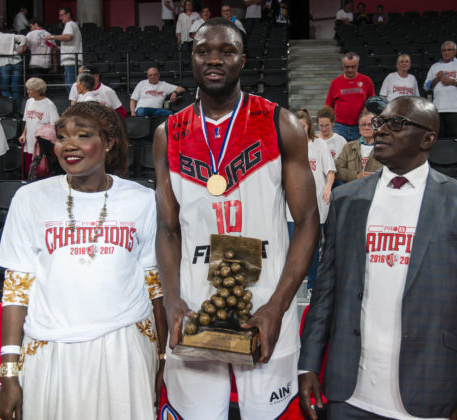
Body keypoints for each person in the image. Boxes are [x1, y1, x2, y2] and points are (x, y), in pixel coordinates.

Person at [155, 17, 319, 419]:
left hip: (266, 299)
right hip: (193, 305)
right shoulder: (168, 133)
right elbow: (167, 229)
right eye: (203, 51)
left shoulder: (281, 123)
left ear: (243, 60)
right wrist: (172, 300)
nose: (214, 59)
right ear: (191, 59)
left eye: (226, 51)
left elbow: (308, 221)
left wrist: (279, 306)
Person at [298, 95, 457, 420]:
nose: (380, 130)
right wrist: (308, 363)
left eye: (395, 123)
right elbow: (325, 293)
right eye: (380, 122)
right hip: (349, 395)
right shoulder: (346, 200)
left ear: (427, 139)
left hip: (430, 392)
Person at [0, 101, 167, 420]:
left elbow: (154, 284)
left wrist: (162, 358)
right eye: (61, 137)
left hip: (123, 347)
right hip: (50, 349)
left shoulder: (142, 199)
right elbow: (16, 290)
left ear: (108, 142)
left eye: (82, 135)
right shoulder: (29, 199)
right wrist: (9, 372)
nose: (69, 145)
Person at [288, 109, 335, 299]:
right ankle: (292, 286)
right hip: (292, 205)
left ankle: (312, 285)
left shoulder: (319, 144)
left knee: (312, 247)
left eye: (303, 126)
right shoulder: (288, 145)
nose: (300, 129)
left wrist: (328, 188)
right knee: (293, 247)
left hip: (315, 204)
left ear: (309, 126)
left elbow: (330, 170)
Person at [424, 41, 457, 139]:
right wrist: (437, 79)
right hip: (438, 109)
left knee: (454, 140)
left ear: (455, 51)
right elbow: (426, 86)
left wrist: (453, 82)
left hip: (455, 109)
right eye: (444, 50)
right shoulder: (434, 66)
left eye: (449, 50)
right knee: (439, 140)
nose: (446, 52)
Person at [325, 52, 375, 141]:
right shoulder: (335, 82)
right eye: (346, 67)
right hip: (339, 126)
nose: (350, 70)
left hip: (361, 126)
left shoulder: (366, 81)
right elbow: (328, 106)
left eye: (353, 67)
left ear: (358, 65)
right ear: (343, 66)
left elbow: (373, 103)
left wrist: (368, 111)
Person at [18, 77, 58, 176]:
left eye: (30, 89)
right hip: (29, 141)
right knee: (29, 170)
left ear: (38, 90)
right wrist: (23, 134)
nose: (27, 91)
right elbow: (27, 120)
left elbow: (54, 125)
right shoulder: (29, 102)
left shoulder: (49, 104)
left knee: (41, 170)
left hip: (41, 144)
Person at [334, 109, 381, 183]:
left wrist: (374, 177)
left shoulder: (385, 148)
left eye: (370, 124)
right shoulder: (348, 147)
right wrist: (356, 176)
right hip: (352, 188)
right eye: (363, 125)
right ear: (359, 127)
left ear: (376, 127)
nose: (366, 127)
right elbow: (338, 169)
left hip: (376, 188)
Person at [46, 8, 82, 89]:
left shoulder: (69, 24)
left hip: (71, 61)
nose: (60, 18)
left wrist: (52, 37)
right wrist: (59, 48)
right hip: (71, 60)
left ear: (68, 15)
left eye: (62, 15)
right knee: (71, 86)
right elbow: (70, 42)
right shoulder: (73, 25)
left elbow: (68, 37)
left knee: (71, 87)